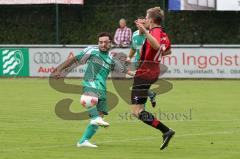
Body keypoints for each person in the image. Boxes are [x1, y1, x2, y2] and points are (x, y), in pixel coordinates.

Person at [54, 32, 133, 148]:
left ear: (110, 43)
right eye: (100, 42)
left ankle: (83, 141)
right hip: (90, 82)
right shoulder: (91, 51)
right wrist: (59, 70)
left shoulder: (112, 58)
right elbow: (74, 59)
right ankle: (95, 117)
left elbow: (127, 71)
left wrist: (139, 74)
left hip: (102, 88)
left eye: (105, 42)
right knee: (90, 101)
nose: (103, 44)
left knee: (100, 116)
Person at [130, 7, 175, 150]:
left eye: (146, 17)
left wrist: (144, 28)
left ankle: (166, 131)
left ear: (150, 19)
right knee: (140, 109)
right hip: (152, 71)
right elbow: (167, 50)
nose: (144, 19)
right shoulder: (162, 33)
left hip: (145, 73)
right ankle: (165, 131)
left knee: (136, 111)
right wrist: (144, 29)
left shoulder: (154, 32)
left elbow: (155, 45)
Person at [127, 16, 156, 107]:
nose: (141, 25)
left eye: (143, 23)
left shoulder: (149, 36)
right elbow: (133, 48)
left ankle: (141, 107)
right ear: (137, 24)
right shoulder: (135, 34)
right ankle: (150, 95)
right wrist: (129, 57)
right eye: (140, 23)